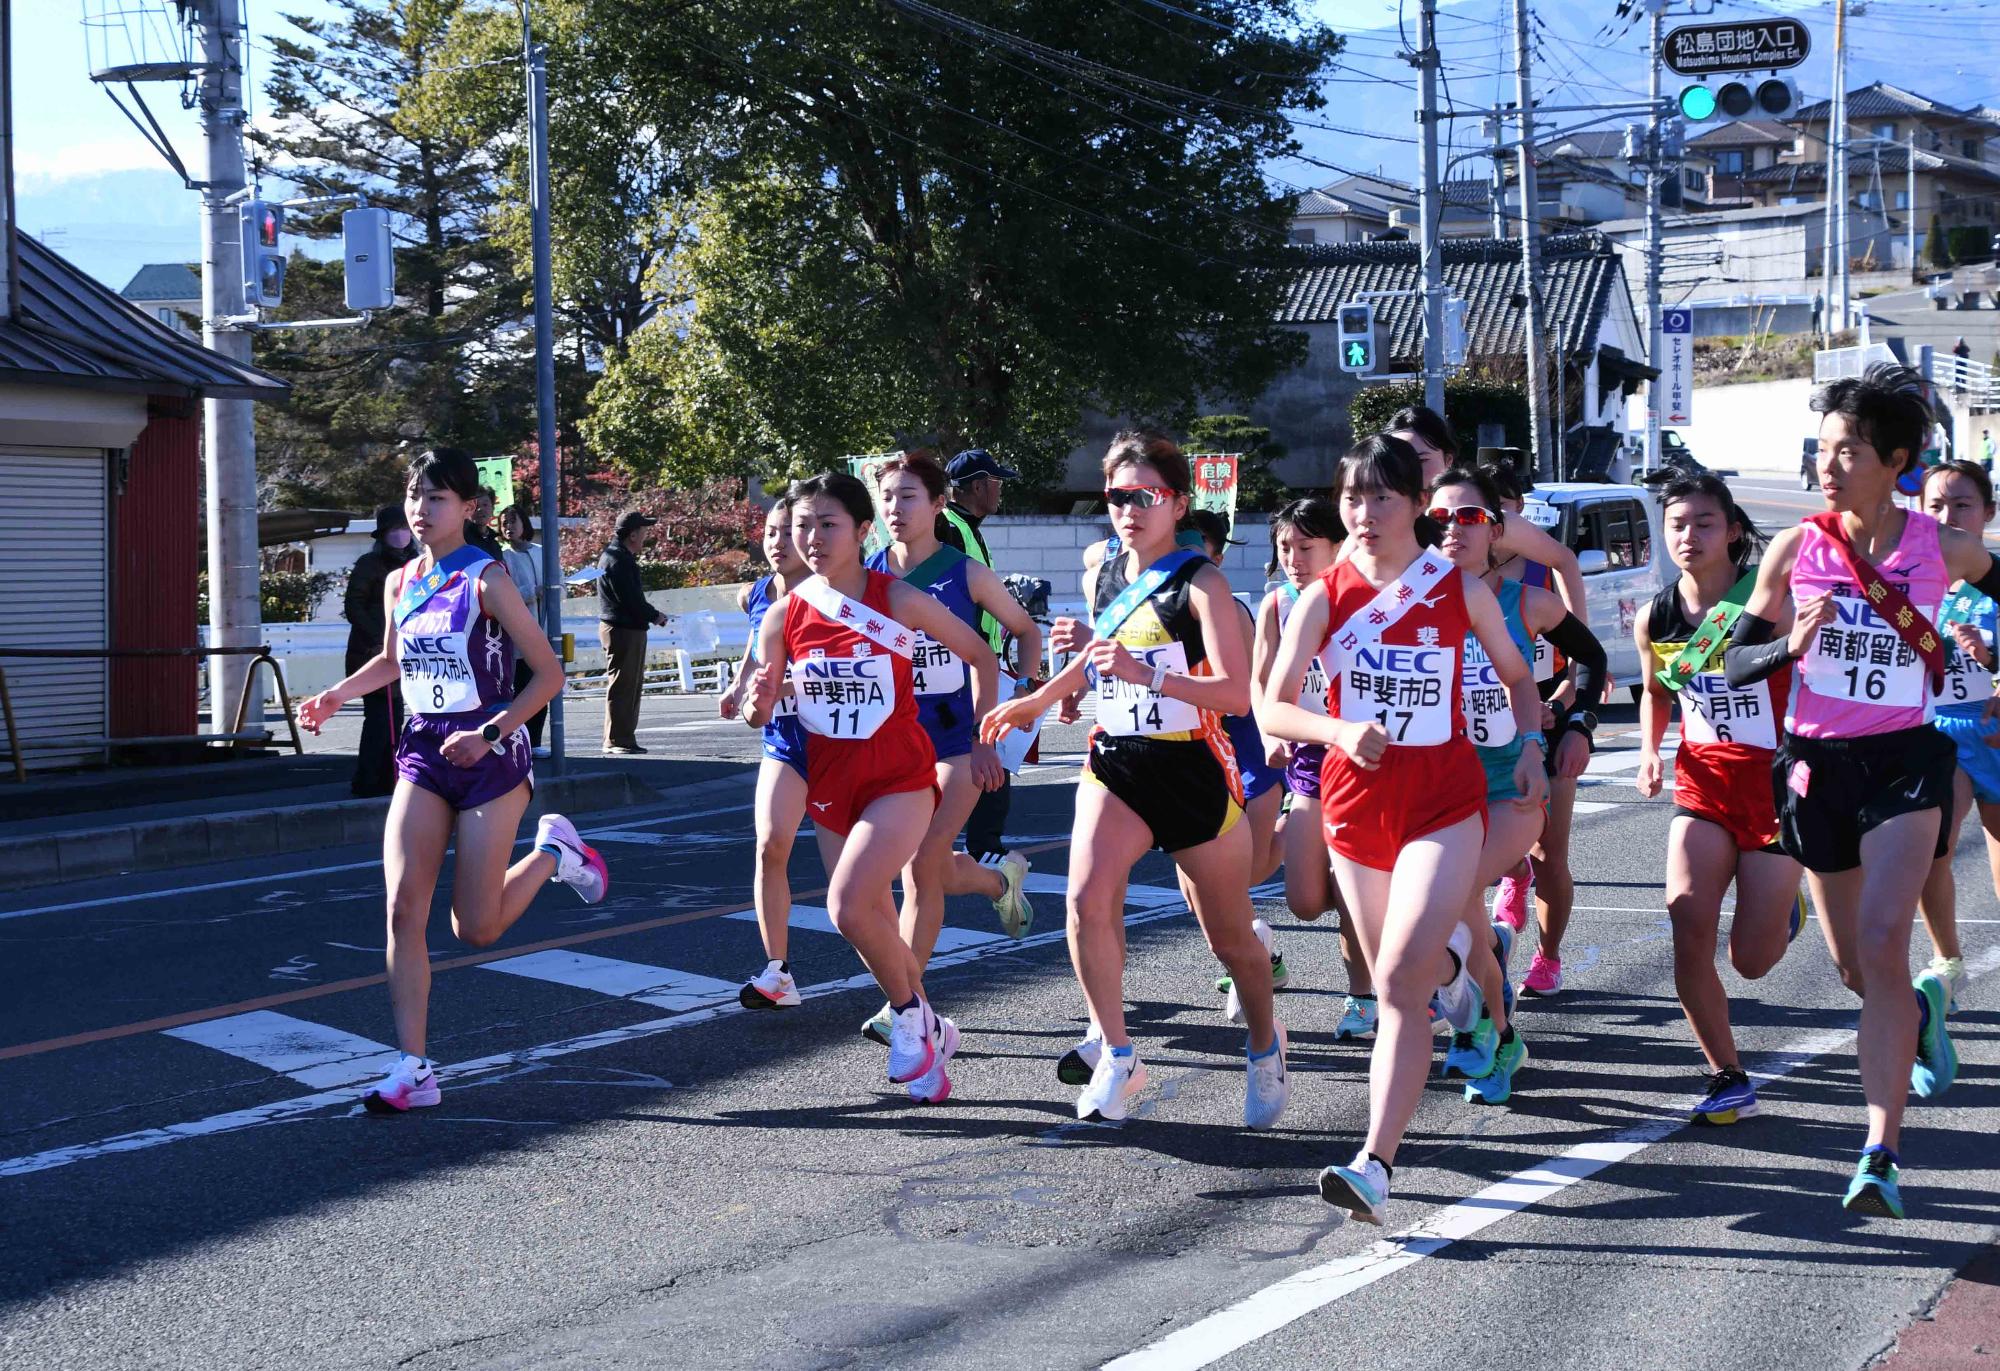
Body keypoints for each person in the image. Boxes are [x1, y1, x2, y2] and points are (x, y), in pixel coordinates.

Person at [1725, 362, 2000, 1218]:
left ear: (1898, 460)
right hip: (1817, 767)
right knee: (1856, 967)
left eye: (1849, 450)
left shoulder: (1939, 545)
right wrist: (1787, 646)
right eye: (1823, 449)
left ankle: (1880, 1150)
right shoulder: (1795, 547)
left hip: (1906, 762)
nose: (1829, 464)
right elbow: (1732, 658)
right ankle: (1920, 1011)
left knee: (1884, 938)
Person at [1258, 434, 1545, 1224]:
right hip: (1356, 812)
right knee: (1409, 974)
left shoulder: (1456, 588)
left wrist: (1529, 746)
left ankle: (1374, 1162)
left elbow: (1519, 676)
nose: (1363, 514)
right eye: (1352, 497)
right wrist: (1337, 731)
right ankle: (1456, 977)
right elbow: (1273, 706)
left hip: (1445, 806)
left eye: (1382, 497)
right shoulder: (1323, 595)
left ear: (1419, 505)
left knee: (1393, 987)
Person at [982, 431, 1289, 1129]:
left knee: (1232, 939)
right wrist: (1037, 697)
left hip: (1191, 769)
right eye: (1117, 495)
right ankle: (1117, 1052)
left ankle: (1266, 1044)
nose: (1128, 508)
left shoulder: (1203, 583)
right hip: (1117, 760)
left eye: (1144, 495)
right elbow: (1099, 659)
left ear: (1178, 502)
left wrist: (1145, 672)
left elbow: (1236, 695)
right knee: (1087, 900)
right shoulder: (1104, 573)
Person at [296, 447, 608, 1114]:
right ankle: (413, 1066)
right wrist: (333, 695)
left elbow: (549, 675)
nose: (421, 507)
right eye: (415, 494)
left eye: (436, 497)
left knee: (477, 928)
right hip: (424, 750)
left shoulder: (487, 578)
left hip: (489, 754)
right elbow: (389, 660)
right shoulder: (399, 581)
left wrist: (492, 731)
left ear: (470, 508)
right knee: (403, 908)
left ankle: (555, 852)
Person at [742, 471, 998, 1104]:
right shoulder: (782, 615)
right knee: (872, 920)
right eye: (803, 525)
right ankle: (931, 1027)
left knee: (847, 905)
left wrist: (985, 736)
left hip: (901, 779)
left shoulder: (898, 598)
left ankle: (910, 1019)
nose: (813, 538)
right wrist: (758, 700)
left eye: (828, 525)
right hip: (832, 786)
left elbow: (982, 656)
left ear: (862, 531)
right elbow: (762, 706)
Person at [1634, 474, 1806, 1126]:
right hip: (1701, 786)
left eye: (1704, 523)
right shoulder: (1656, 615)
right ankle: (1726, 1072)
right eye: (1677, 524)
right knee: (1687, 925)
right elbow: (1656, 692)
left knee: (1751, 961)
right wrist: (1651, 750)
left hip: (1773, 793)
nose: (1688, 536)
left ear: (1732, 529)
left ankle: (1787, 907)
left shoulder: (1768, 600)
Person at [1432, 466, 1605, 1103]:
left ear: (1496, 529)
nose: (1454, 530)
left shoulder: (1526, 600)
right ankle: (1498, 1030)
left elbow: (1591, 657)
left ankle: (1484, 1013)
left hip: (1513, 784)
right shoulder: (1408, 601)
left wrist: (1577, 721)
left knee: (1454, 894)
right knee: (1452, 911)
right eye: (1442, 519)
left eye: (1470, 518)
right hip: (1439, 788)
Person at [858, 454, 1037, 1042]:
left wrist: (1014, 707)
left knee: (918, 868)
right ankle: (997, 881)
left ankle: (906, 1007)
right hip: (890, 744)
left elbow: (1023, 631)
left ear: (938, 505)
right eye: (886, 498)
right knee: (922, 869)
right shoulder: (866, 575)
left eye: (908, 497)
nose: (894, 509)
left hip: (958, 743)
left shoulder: (964, 572)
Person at [1257, 497, 1375, 1038]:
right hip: (1307, 757)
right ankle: (1384, 908)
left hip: (1366, 758)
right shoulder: (1277, 605)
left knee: (1354, 890)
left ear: (1337, 545)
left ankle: (1362, 997)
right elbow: (1261, 684)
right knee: (1304, 900)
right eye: (1285, 547)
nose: (1294, 558)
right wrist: (1267, 732)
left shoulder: (1364, 601)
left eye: (1306, 547)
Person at [1189, 508, 1290, 1023]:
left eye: (1198, 543)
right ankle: (1257, 949)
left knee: (1243, 875)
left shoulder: (1230, 610)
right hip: (1192, 756)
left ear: (1217, 555)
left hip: (1248, 747)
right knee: (1199, 895)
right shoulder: (1146, 600)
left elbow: (1246, 691)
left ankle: (1298, 827)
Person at [721, 497, 813, 1010]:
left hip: (839, 742)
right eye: (770, 533)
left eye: (787, 532)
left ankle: (904, 987)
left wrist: (793, 684)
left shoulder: (833, 595)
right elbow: (756, 650)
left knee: (856, 882)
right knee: (769, 846)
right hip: (782, 739)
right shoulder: (759, 592)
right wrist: (739, 687)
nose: (777, 543)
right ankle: (778, 971)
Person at [1915, 460, 2000, 1004]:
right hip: (1940, 732)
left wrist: (1992, 656)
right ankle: (1947, 960)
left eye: (1962, 505)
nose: (1948, 517)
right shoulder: (1912, 581)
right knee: (1933, 844)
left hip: (1994, 730)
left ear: (1988, 513)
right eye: (1936, 507)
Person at [937, 449, 1020, 862]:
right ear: (978, 485)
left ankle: (983, 843)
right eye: (997, 482)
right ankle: (982, 846)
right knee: (982, 747)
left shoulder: (968, 527)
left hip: (977, 660)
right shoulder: (948, 526)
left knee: (990, 748)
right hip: (955, 664)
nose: (1000, 490)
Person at [343, 504, 413, 797]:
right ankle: (368, 780)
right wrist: (380, 636)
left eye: (404, 528)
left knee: (395, 718)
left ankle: (388, 777)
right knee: (379, 719)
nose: (400, 535)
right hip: (371, 652)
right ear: (383, 535)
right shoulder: (369, 564)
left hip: (403, 652)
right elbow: (354, 605)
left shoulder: (416, 563)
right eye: (394, 530)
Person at [598, 510, 668, 755]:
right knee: (623, 686)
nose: (646, 535)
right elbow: (631, 599)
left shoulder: (615, 556)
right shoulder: (619, 560)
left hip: (623, 628)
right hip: (623, 629)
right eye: (644, 531)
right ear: (633, 534)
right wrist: (655, 615)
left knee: (627, 685)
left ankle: (623, 737)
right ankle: (617, 739)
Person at [500, 503, 549, 754]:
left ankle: (536, 741)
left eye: (512, 521)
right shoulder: (502, 556)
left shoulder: (541, 552)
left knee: (543, 687)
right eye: (504, 523)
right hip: (518, 634)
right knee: (522, 688)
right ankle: (520, 741)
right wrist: (531, 593)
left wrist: (551, 592)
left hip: (544, 628)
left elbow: (558, 583)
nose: (508, 527)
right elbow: (503, 595)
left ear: (524, 524)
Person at [466, 484, 506, 557]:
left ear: (493, 508)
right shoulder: (461, 540)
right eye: (476, 506)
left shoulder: (494, 543)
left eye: (485, 505)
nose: (480, 509)